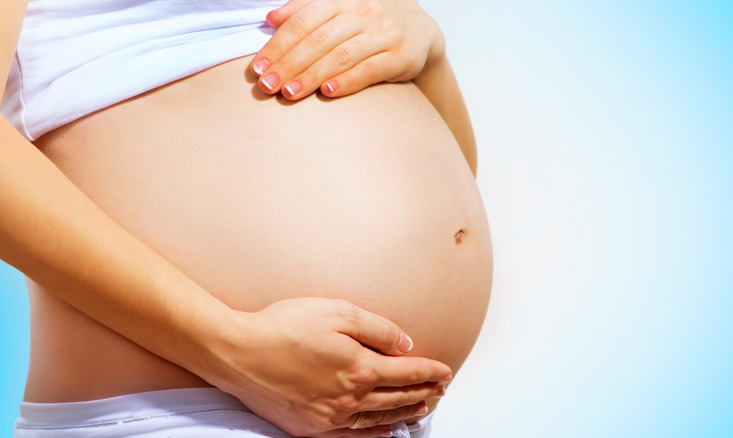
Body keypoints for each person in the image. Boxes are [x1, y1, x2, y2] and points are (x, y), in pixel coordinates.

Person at [0, 0, 493, 436]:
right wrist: (231, 351)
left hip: (381, 416)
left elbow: (448, 171)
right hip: (188, 409)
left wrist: (429, 54)